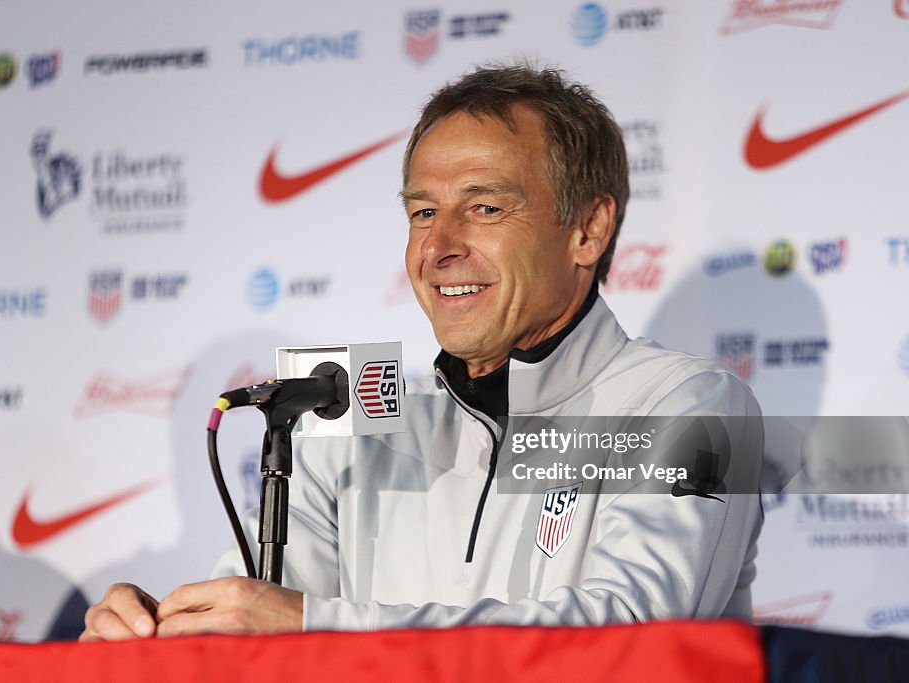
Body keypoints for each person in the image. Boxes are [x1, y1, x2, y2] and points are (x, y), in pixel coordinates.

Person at [81, 63, 762, 640]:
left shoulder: (689, 407)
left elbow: (629, 635)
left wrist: (318, 623)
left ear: (588, 228)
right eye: (423, 212)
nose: (438, 248)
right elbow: (261, 631)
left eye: (486, 208)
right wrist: (160, 631)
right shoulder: (342, 426)